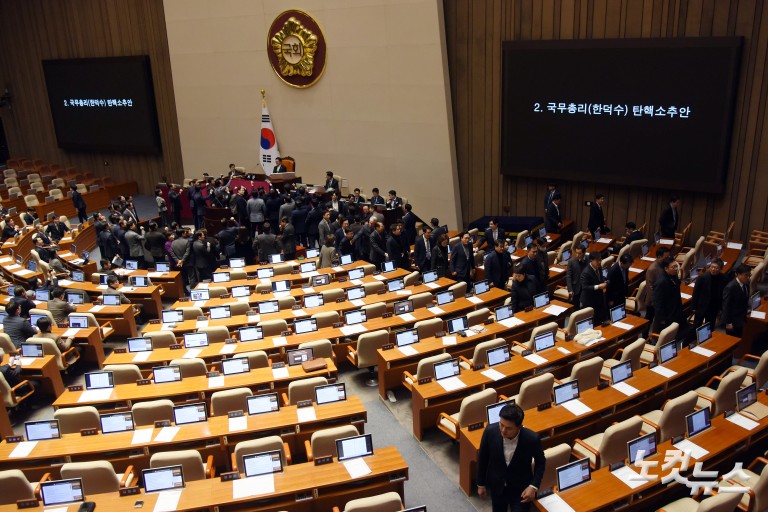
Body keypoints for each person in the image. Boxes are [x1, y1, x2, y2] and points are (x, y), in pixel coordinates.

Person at [477, 403, 545, 512]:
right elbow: (482, 458)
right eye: (501, 424)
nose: (503, 430)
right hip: (497, 486)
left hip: (521, 489)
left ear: (519, 427)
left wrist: (533, 486)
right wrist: (481, 484)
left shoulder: (531, 439)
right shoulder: (490, 432)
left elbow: (541, 462)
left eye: (508, 428)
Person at [652, 257, 686, 338]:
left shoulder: (673, 277)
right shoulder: (661, 282)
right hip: (666, 316)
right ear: (666, 268)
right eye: (673, 267)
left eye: (676, 266)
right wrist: (662, 318)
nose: (676, 269)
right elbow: (657, 303)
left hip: (675, 311)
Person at [691, 258, 725, 330]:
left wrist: (720, 307)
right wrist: (694, 307)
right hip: (701, 306)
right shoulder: (702, 277)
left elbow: (722, 293)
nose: (713, 269)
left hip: (713, 307)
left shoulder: (723, 278)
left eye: (716, 268)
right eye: (712, 267)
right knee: (696, 326)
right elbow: (695, 293)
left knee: (709, 326)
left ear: (720, 269)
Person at [641, 247, 669, 326]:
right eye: (666, 257)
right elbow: (650, 288)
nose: (668, 259)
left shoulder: (664, 265)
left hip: (661, 298)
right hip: (653, 300)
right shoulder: (652, 269)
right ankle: (645, 335)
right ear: (659, 257)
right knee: (649, 318)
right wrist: (656, 301)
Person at [722, 264, 752, 337]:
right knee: (731, 340)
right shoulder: (730, 287)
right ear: (738, 274)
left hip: (741, 318)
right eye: (746, 275)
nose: (748, 277)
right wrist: (728, 322)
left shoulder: (746, 284)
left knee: (739, 337)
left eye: (749, 275)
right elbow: (726, 306)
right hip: (732, 320)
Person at [580, 251, 608, 323]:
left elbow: (600, 278)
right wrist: (598, 286)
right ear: (591, 260)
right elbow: (585, 287)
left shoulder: (599, 267)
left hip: (599, 298)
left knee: (599, 319)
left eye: (600, 260)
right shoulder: (586, 272)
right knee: (592, 321)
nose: (599, 262)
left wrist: (604, 281)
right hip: (589, 300)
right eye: (597, 260)